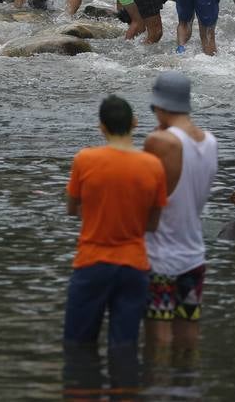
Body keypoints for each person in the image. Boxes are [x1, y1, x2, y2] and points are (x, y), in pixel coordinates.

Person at [64, 95, 168, 352]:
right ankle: (125, 389)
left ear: (102, 127)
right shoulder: (153, 165)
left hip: (92, 263)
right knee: (124, 347)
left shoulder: (84, 160)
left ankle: (83, 388)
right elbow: (153, 224)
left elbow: (71, 209)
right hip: (134, 266)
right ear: (134, 123)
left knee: (78, 345)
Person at [142, 72, 218, 349]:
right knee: (188, 333)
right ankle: (186, 386)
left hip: (160, 256)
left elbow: (144, 196)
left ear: (160, 105)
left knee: (158, 336)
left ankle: (158, 387)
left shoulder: (160, 142)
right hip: (194, 255)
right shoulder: (210, 141)